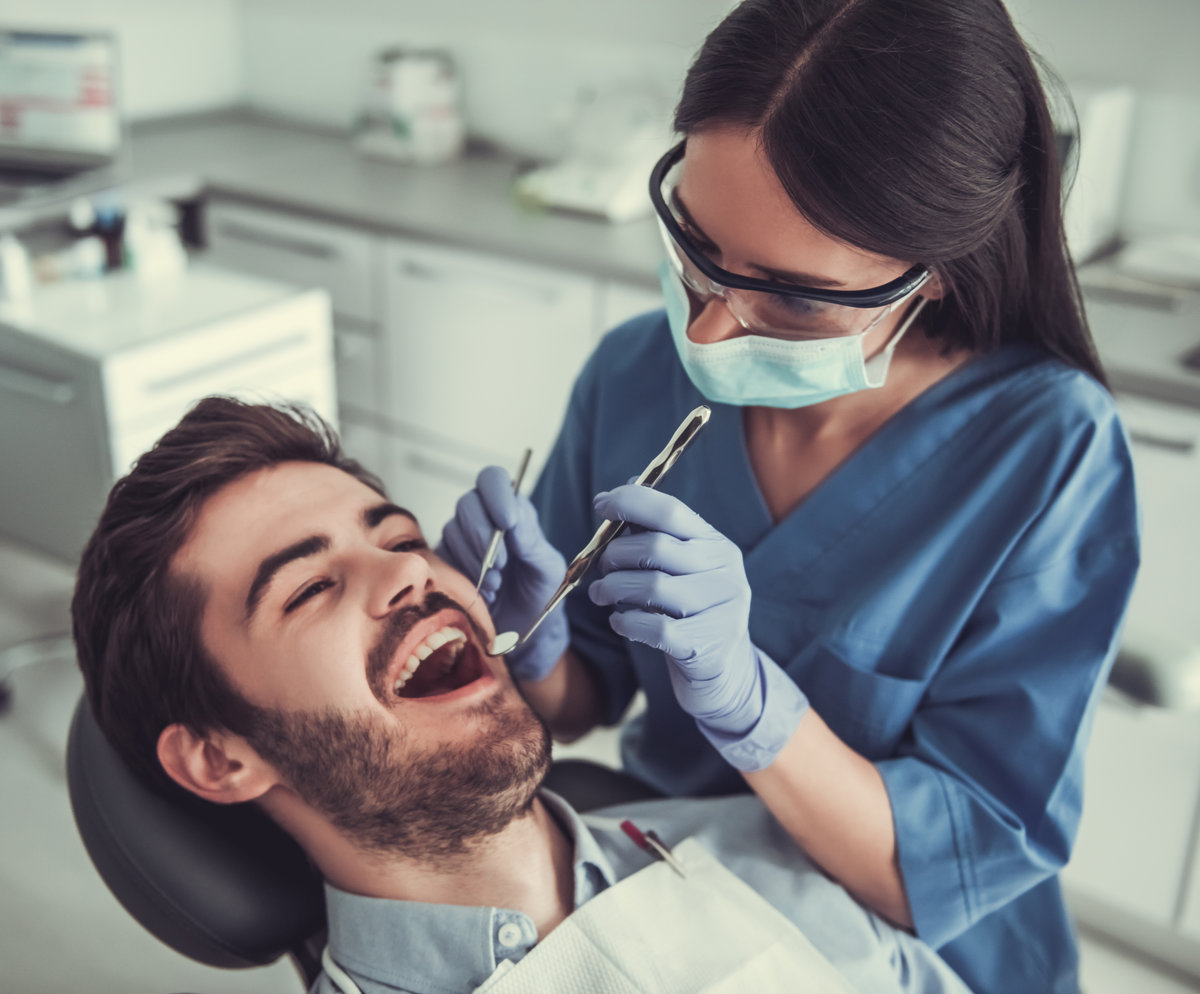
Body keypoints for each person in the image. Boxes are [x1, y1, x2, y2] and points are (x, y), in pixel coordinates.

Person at [435, 2, 1141, 993]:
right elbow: (589, 689)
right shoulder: (634, 371)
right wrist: (535, 644)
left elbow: (947, 868)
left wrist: (754, 706)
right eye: (696, 244)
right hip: (678, 890)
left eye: (793, 297)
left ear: (931, 278)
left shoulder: (1048, 451)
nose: (709, 334)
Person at [70, 396, 973, 994]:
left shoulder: (767, 853)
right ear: (221, 758)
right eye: (307, 588)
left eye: (399, 536)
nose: (404, 575)